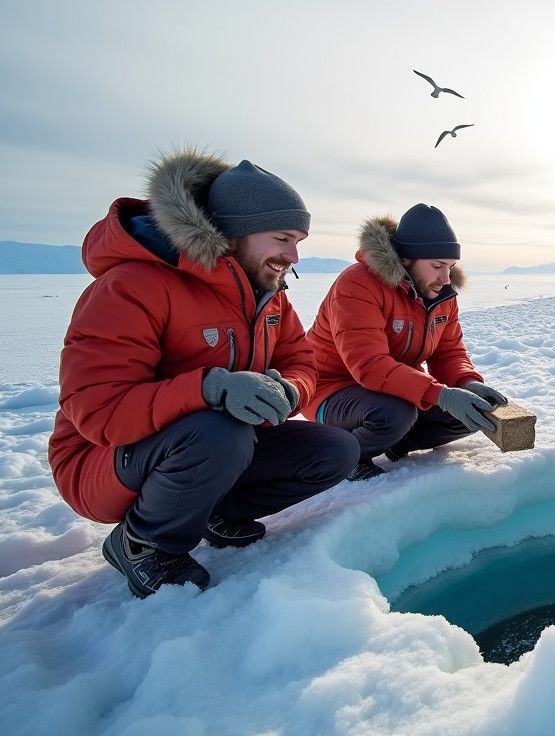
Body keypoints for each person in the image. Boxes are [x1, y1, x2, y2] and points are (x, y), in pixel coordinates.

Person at [49, 149, 361, 599]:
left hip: (212, 445)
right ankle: (142, 543)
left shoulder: (266, 295)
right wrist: (212, 388)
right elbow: (100, 413)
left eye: (299, 242)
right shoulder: (131, 287)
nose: (293, 255)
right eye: (282, 238)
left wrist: (290, 389)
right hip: (100, 459)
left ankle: (213, 511)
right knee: (217, 433)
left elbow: (302, 359)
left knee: (335, 447)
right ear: (234, 233)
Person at [304, 204, 510, 480]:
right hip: (331, 389)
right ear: (405, 259)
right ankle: (347, 456)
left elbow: (448, 353)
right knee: (395, 413)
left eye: (450, 267)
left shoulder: (442, 296)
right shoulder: (357, 284)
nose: (445, 278)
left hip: (395, 387)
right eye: (437, 266)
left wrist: (468, 384)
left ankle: (396, 442)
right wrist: (441, 395)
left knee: (475, 412)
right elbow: (370, 366)